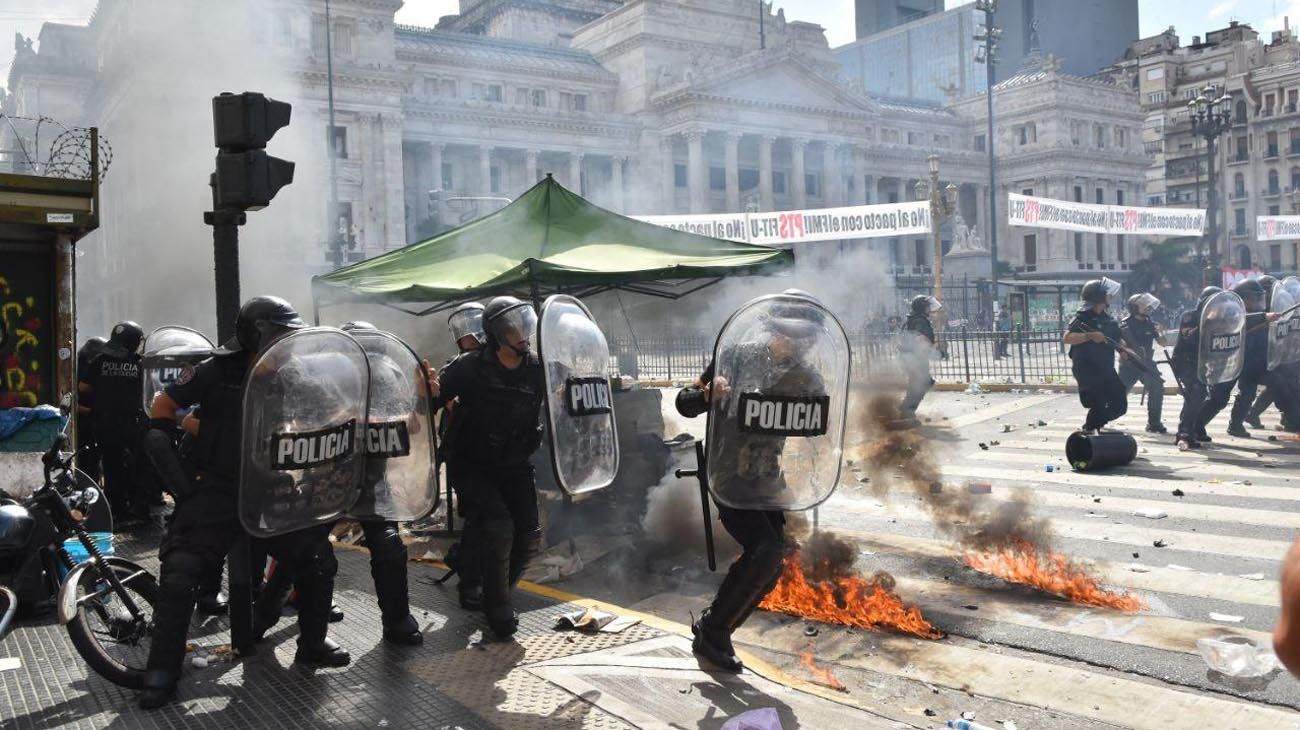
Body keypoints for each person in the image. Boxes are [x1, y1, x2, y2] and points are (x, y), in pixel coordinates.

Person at [139, 296, 347, 710]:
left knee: (318, 558)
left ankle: (313, 642)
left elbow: (335, 411)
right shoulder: (215, 372)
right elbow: (163, 404)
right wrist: (173, 440)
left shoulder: (295, 374)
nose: (287, 343)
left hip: (272, 485)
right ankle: (162, 669)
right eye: (279, 334)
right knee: (181, 570)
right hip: (217, 489)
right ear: (257, 335)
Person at [675, 296, 826, 672]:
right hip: (727, 473)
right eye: (791, 336)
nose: (797, 345)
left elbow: (815, 424)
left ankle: (717, 626)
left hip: (766, 476)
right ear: (775, 331)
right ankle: (714, 631)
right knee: (765, 549)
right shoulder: (737, 357)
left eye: (806, 339)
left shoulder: (807, 377)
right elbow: (684, 402)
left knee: (774, 560)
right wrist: (708, 395)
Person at [428, 296, 545, 638]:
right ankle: (497, 609)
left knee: (529, 536)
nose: (523, 333)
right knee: (497, 527)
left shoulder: (537, 368)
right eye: (514, 327)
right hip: (472, 463)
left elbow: (563, 399)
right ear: (495, 333)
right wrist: (428, 391)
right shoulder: (467, 367)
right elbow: (428, 401)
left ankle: (499, 592)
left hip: (515, 463)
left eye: (525, 324)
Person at [433, 303, 487, 610]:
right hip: (465, 455)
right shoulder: (456, 368)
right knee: (478, 519)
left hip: (496, 456)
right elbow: (433, 403)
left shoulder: (499, 362)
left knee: (488, 521)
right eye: (464, 331)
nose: (471, 335)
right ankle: (470, 584)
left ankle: (467, 564)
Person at [78, 322, 150, 526]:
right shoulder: (138, 363)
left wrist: (104, 390)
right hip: (131, 424)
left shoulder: (100, 360)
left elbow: (83, 387)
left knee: (112, 467)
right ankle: (132, 511)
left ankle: (115, 512)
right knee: (135, 467)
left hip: (104, 423)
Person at [1195, 279, 1279, 439]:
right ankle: (1195, 425)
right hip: (1229, 361)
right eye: (1252, 298)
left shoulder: (1263, 313)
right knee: (1219, 397)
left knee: (1248, 393)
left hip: (1250, 361)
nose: (1256, 301)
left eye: (1258, 298)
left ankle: (1236, 424)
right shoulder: (1231, 311)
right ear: (1243, 297)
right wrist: (1263, 317)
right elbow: (1242, 319)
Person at [1062, 280, 1127, 434]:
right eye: (1106, 295)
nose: (1109, 297)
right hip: (1087, 369)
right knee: (1098, 402)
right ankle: (1090, 430)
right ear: (1098, 297)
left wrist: (1123, 351)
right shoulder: (1082, 317)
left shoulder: (1108, 319)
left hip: (1106, 368)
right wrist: (1089, 336)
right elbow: (1067, 337)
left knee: (1119, 404)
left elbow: (1117, 339)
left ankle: (1093, 425)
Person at [1171, 286, 1222, 450]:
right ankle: (1185, 432)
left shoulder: (1217, 319)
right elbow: (1190, 339)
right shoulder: (1190, 317)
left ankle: (1188, 430)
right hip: (1185, 362)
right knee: (1196, 392)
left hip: (1201, 363)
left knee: (1195, 395)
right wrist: (1207, 324)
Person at [1117, 293, 1168, 433]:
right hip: (1130, 365)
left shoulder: (1150, 323)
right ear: (1134, 307)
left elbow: (1163, 343)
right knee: (1118, 395)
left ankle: (1154, 423)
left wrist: (1161, 333)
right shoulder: (1125, 324)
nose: (1148, 307)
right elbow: (1120, 344)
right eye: (1144, 304)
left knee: (1157, 387)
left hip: (1147, 364)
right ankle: (1099, 417)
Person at [898, 295, 940, 423]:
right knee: (921, 384)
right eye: (927, 306)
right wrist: (936, 352)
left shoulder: (913, 319)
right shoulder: (919, 321)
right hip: (916, 359)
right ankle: (907, 412)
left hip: (912, 358)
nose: (929, 308)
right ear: (922, 308)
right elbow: (920, 339)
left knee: (919, 384)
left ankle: (906, 411)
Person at [74, 336, 107, 482]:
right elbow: (70, 403)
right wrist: (92, 412)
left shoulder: (96, 368)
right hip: (83, 422)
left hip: (96, 420)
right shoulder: (76, 372)